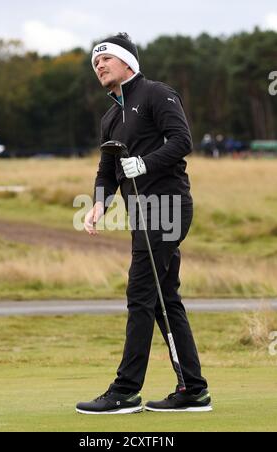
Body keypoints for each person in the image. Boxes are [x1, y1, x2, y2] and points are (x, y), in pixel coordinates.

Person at [76, 33, 211, 414]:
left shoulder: (156, 93)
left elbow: (182, 140)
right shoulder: (110, 117)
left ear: (127, 63)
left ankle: (125, 390)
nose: (98, 66)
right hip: (144, 214)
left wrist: (147, 162)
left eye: (105, 59)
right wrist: (99, 205)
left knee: (140, 294)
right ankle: (193, 389)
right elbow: (106, 171)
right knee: (164, 300)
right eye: (94, 63)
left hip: (168, 206)